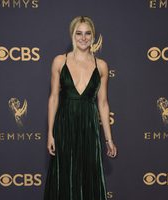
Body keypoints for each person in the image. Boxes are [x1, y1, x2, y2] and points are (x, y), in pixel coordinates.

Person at [44, 16, 118, 200]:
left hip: (89, 128)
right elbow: (54, 98)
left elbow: (103, 103)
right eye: (79, 33)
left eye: (87, 33)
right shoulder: (60, 61)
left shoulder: (101, 66)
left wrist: (108, 139)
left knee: (89, 176)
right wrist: (50, 133)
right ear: (72, 35)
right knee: (64, 175)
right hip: (65, 125)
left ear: (93, 36)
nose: (83, 38)